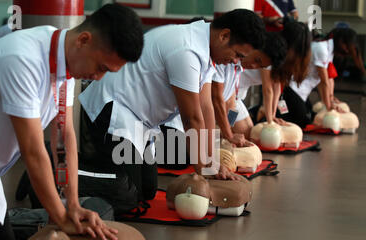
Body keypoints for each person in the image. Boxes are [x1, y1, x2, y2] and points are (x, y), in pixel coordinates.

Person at [0, 3, 143, 240]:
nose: (98, 77)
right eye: (101, 67)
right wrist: (60, 218)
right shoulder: (22, 58)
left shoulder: (66, 59)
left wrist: (72, 204)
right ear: (84, 40)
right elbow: (34, 151)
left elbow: (64, 136)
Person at [78, 9, 265, 196]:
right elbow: (191, 118)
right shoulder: (187, 49)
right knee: (128, 194)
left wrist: (211, 162)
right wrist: (203, 169)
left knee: (147, 191)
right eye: (238, 54)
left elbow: (206, 108)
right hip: (112, 110)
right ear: (224, 36)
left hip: (139, 122)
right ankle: (67, 174)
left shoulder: (206, 49)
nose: (235, 61)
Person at [212, 21, 311, 139]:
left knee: (248, 133)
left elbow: (276, 88)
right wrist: (269, 121)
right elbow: (267, 90)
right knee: (233, 130)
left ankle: (222, 132)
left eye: (259, 64)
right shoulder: (264, 50)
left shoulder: (273, 58)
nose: (254, 66)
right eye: (257, 60)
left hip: (235, 97)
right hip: (224, 97)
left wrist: (272, 117)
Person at [280, 27, 361, 128]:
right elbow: (324, 82)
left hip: (302, 93)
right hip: (292, 90)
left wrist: (330, 100)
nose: (346, 50)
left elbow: (328, 80)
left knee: (310, 118)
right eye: (347, 46)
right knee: (304, 123)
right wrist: (329, 107)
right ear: (340, 41)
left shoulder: (328, 50)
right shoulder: (321, 49)